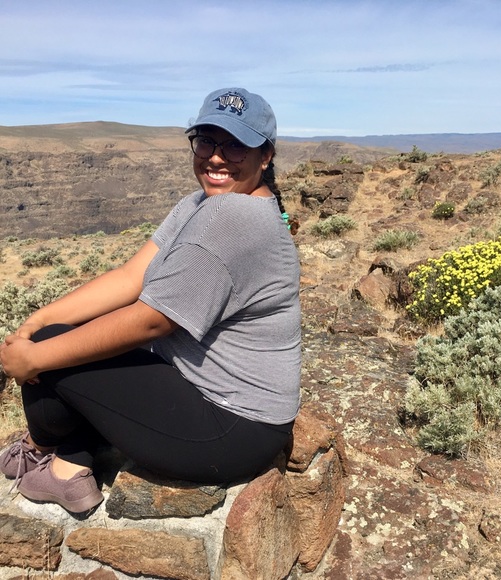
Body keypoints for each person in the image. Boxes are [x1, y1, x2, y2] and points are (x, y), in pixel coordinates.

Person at [0, 87, 301, 514]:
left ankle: (50, 452)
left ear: (265, 155)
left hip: (231, 430)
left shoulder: (232, 217)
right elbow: (130, 277)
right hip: (226, 411)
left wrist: (34, 355)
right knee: (54, 334)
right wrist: (37, 320)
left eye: (236, 145)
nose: (217, 157)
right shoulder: (203, 202)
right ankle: (72, 461)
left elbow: (151, 321)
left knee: (53, 349)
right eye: (207, 141)